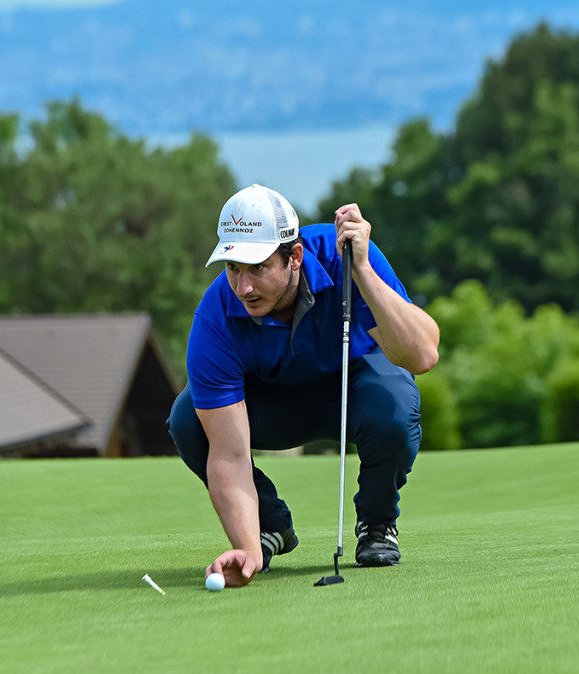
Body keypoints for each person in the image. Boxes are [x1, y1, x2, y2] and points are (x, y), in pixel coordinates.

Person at [167, 183, 440, 588]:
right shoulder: (215, 317)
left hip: (356, 388)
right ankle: (269, 528)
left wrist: (362, 271)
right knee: (188, 419)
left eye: (257, 267)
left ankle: (377, 525)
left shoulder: (344, 254)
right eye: (233, 268)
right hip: (276, 403)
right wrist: (247, 552)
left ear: (294, 257)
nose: (243, 287)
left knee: (394, 404)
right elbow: (228, 455)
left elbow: (422, 355)